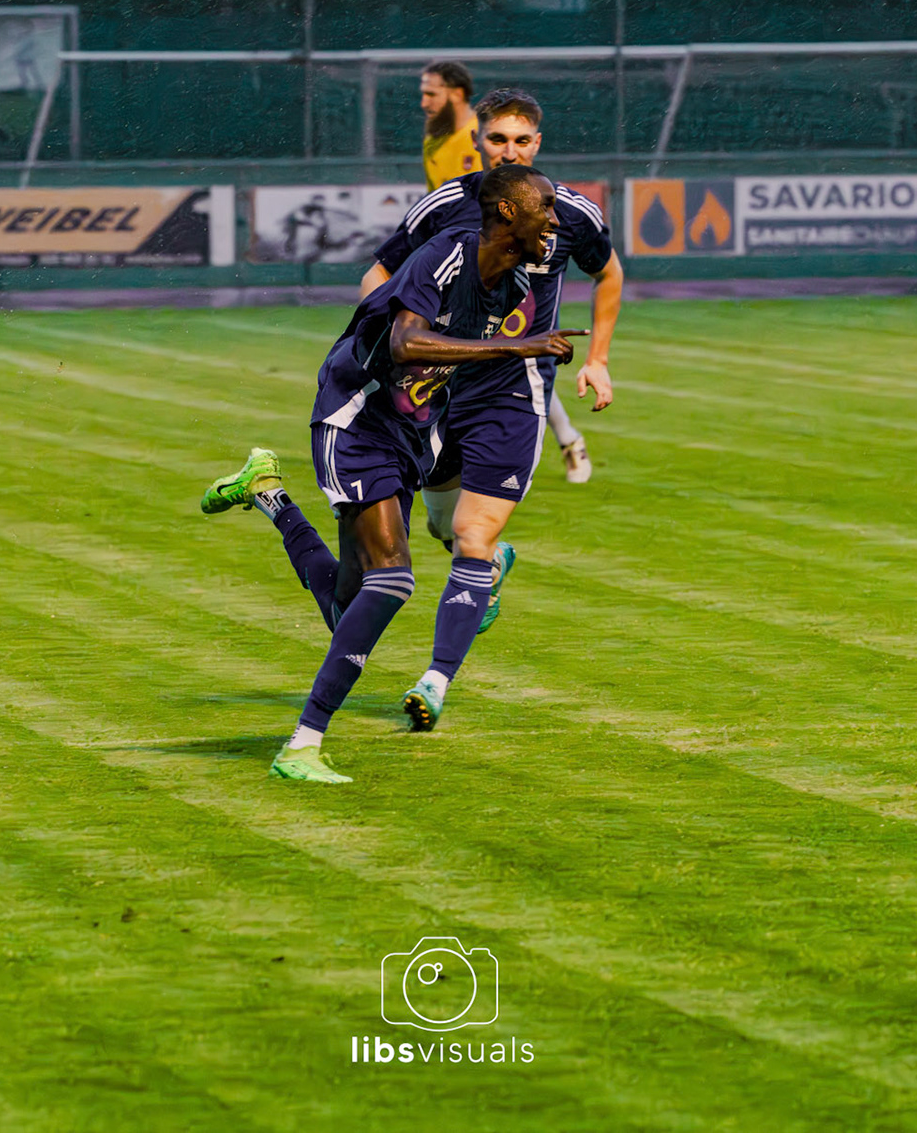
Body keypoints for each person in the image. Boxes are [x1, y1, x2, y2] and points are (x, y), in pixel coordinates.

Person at [199, 164, 579, 783]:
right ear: (509, 212)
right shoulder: (448, 254)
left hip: (411, 433)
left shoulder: (513, 287)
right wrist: (521, 346)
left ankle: (268, 493)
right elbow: (405, 343)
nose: (556, 221)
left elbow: (457, 366)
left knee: (347, 609)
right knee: (393, 580)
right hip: (355, 418)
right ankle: (301, 745)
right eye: (546, 207)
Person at [370, 88, 618, 485]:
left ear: (537, 143)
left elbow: (608, 273)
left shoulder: (570, 212)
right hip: (441, 382)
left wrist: (598, 361)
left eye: (522, 140)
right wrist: (384, 343)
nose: (510, 153)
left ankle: (568, 441)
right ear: (476, 139)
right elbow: (381, 273)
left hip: (514, 388)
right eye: (497, 139)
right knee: (441, 515)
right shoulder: (445, 205)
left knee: (479, 517)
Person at [420, 60, 482, 193]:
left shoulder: (487, 134)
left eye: (431, 94)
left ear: (457, 95)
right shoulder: (431, 141)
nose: (424, 104)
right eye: (423, 94)